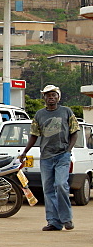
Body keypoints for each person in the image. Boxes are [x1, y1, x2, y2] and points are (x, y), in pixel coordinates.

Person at [19, 84, 79, 232]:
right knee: (48, 190)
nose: (51, 97)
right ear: (44, 98)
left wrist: (68, 150)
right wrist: (25, 152)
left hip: (62, 156)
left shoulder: (66, 112)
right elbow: (34, 135)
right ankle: (54, 222)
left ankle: (66, 219)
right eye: (48, 95)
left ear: (58, 97)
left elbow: (74, 132)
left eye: (53, 95)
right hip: (46, 157)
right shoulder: (39, 115)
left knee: (61, 185)